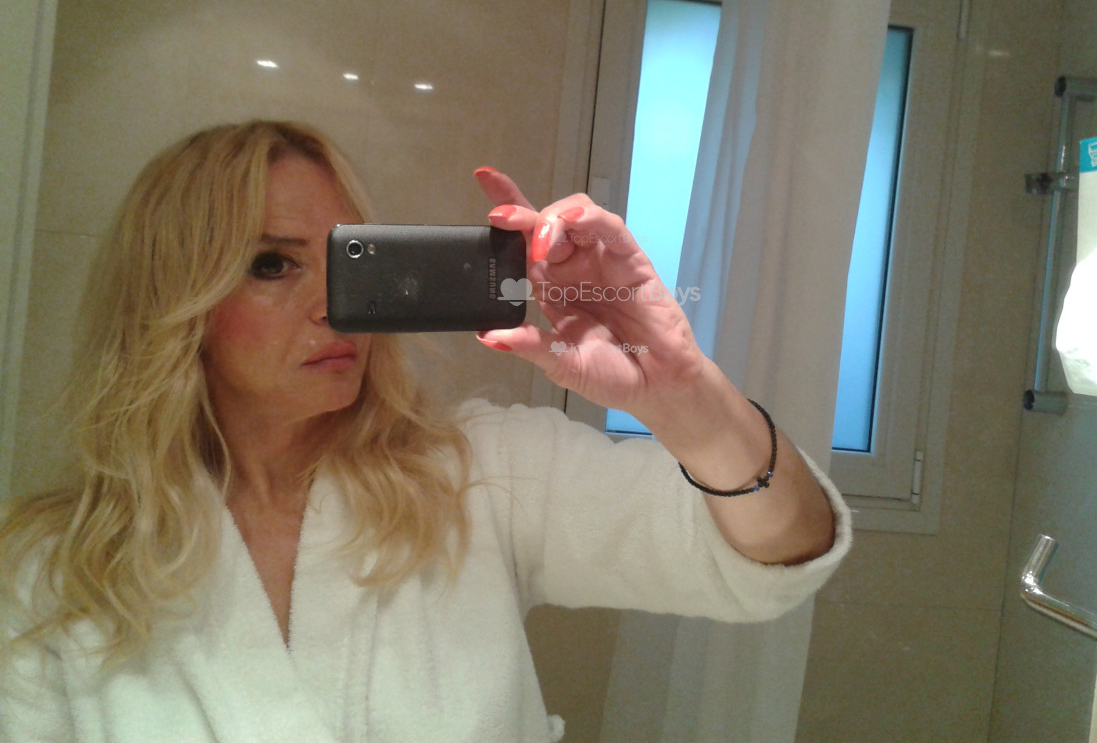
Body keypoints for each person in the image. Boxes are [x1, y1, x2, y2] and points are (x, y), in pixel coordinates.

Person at [0, 120, 850, 741]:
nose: (333, 306)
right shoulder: (51, 573)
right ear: (175, 300)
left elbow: (774, 555)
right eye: (272, 264)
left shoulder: (478, 475)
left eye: (349, 260)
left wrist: (690, 402)